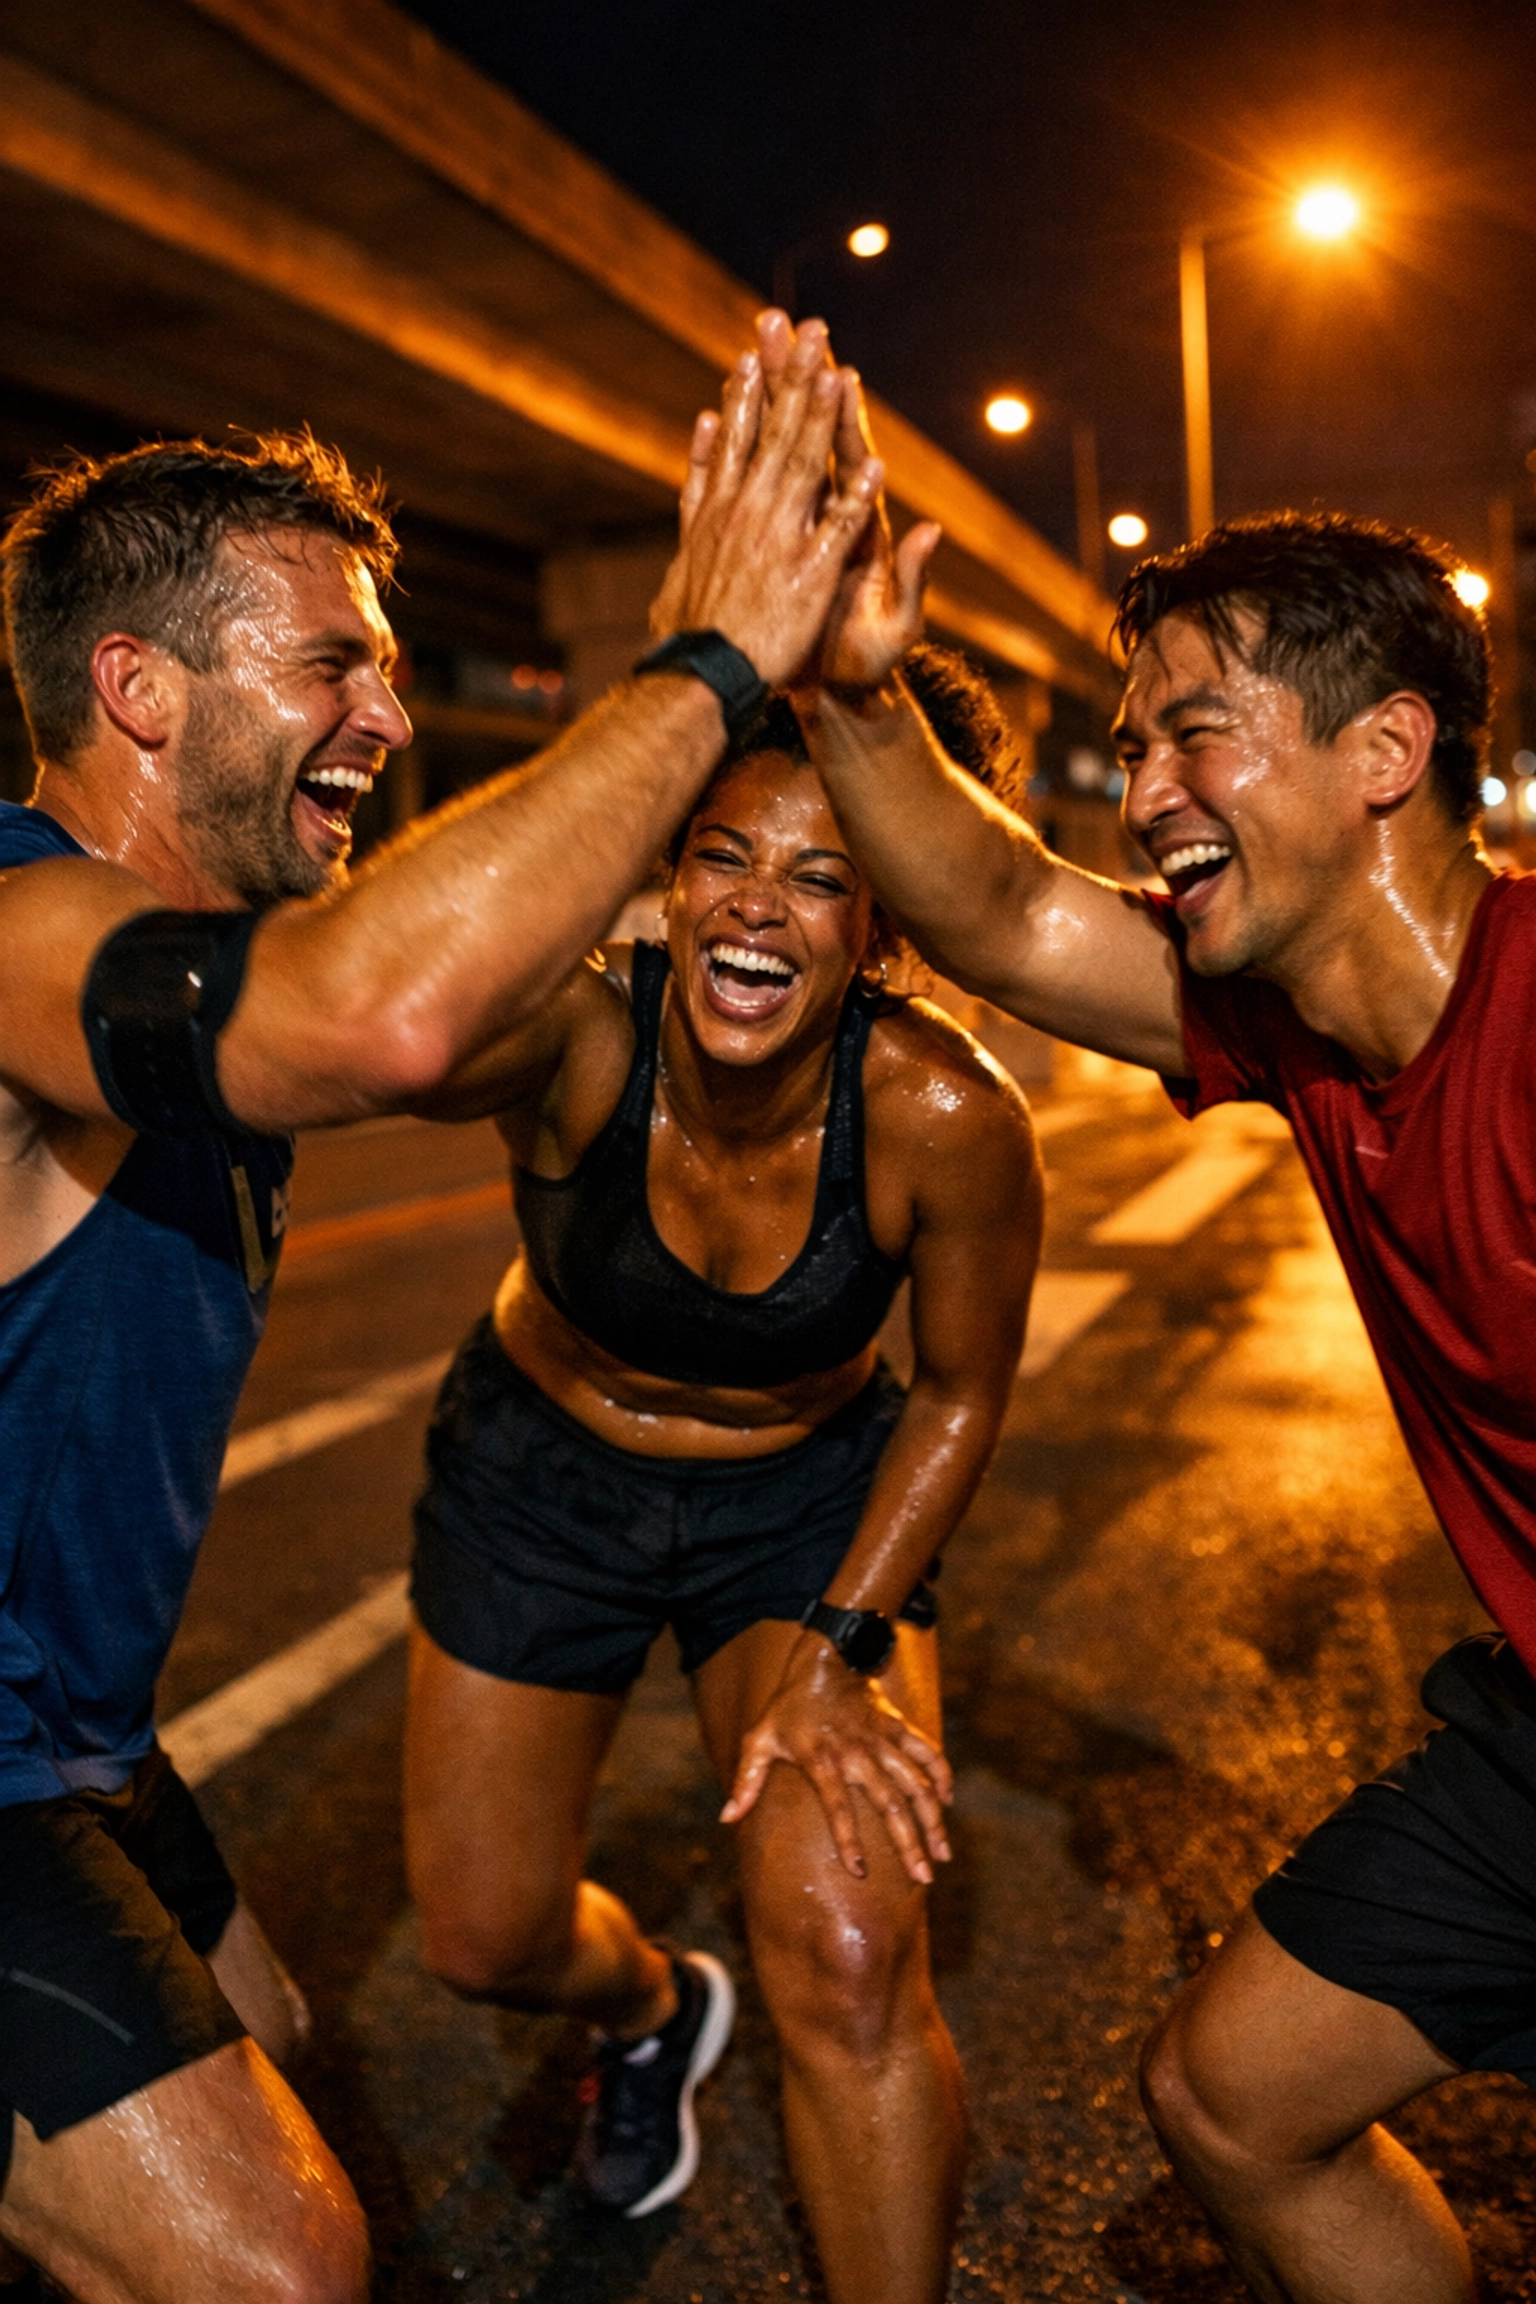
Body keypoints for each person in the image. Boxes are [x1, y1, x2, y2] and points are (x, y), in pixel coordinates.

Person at [0, 318, 885, 2304]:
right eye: (334, 665)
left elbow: (441, 983)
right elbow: (379, 1012)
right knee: (278, 2265)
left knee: (272, 2047)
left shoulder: (249, 953)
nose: (390, 713)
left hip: (66, 1732)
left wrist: (783, 851)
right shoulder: (19, 930)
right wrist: (708, 656)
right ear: (136, 689)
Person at [784, 408, 1532, 2304]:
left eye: (1196, 729)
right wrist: (862, 699)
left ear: (1387, 753)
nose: (1144, 789)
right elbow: (1007, 913)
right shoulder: (1285, 1020)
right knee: (1230, 2097)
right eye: (1131, 748)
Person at [402, 642, 1042, 2304]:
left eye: (823, 880)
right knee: (482, 1938)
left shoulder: (942, 1116)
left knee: (847, 1958)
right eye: (724, 858)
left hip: (802, 1502)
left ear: (883, 929)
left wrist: (840, 1651)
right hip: (540, 1479)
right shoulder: (573, 1037)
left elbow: (962, 1393)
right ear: (668, 880)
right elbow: (393, 1024)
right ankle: (648, 2012)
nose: (760, 911)